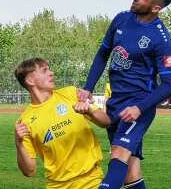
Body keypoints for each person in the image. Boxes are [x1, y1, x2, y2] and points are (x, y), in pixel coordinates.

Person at [78, 0, 171, 189]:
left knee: (118, 154)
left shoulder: (161, 39)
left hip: (138, 106)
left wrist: (139, 108)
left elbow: (168, 85)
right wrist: (88, 87)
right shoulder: (121, 19)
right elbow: (103, 53)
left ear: (156, 7)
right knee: (131, 171)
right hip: (115, 102)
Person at [14, 57, 111, 189]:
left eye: (49, 69)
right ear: (30, 80)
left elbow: (106, 122)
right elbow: (29, 171)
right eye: (44, 71)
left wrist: (91, 112)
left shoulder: (70, 93)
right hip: (57, 185)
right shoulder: (24, 122)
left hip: (92, 180)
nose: (51, 73)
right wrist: (19, 144)